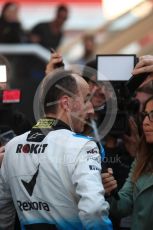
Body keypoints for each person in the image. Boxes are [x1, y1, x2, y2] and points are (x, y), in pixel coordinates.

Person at [0, 69, 113, 230]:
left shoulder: (11, 146)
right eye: (86, 100)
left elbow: (3, 211)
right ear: (66, 103)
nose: (91, 110)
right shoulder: (83, 146)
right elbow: (94, 210)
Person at [103, 95, 153, 230]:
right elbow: (122, 206)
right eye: (145, 115)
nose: (145, 122)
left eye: (152, 115)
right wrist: (109, 192)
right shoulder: (142, 159)